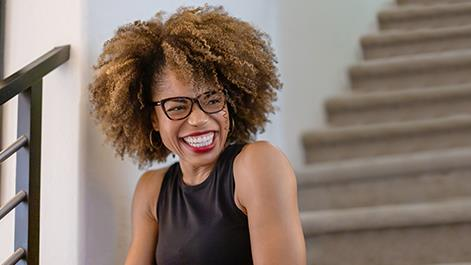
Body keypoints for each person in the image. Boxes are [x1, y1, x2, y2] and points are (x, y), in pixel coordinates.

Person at [89, 5, 306, 265]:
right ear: (153, 120)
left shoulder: (258, 165)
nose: (199, 119)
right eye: (178, 107)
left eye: (212, 100)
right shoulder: (151, 191)